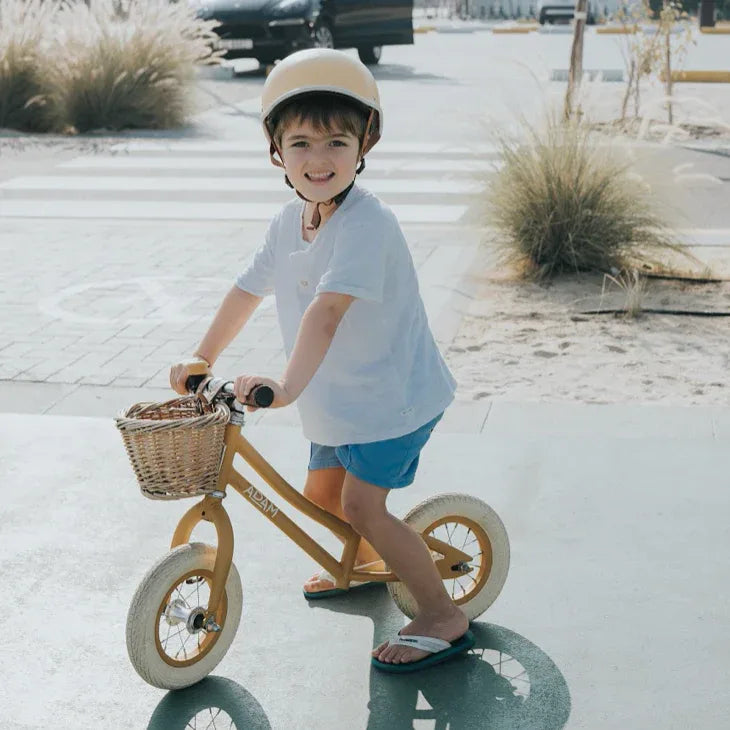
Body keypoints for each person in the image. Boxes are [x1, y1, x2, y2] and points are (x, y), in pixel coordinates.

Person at [169, 48, 473, 672]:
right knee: (322, 497)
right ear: (276, 150)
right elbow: (246, 290)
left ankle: (443, 613)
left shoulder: (367, 225)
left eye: (337, 141)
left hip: (393, 399)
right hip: (339, 397)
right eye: (301, 142)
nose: (319, 159)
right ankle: (360, 567)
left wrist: (282, 388)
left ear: (366, 144)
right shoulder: (288, 220)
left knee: (363, 507)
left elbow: (324, 313)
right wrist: (203, 353)